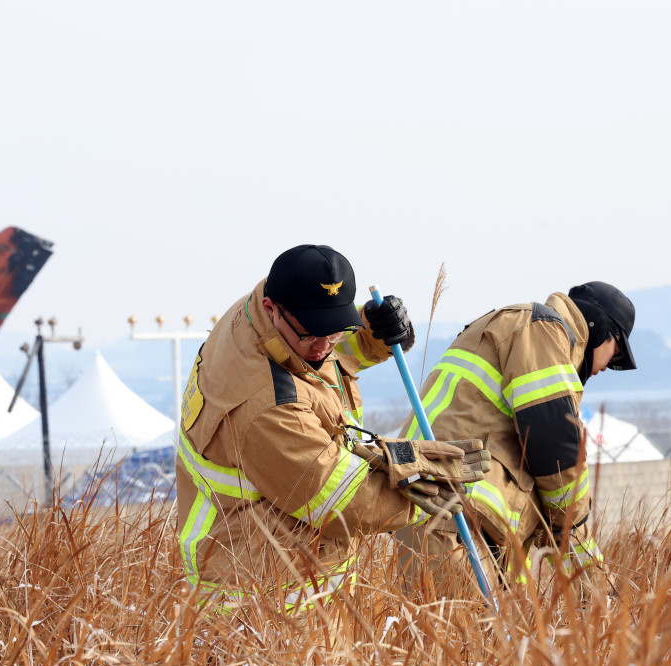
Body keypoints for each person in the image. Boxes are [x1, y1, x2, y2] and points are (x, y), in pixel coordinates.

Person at [175, 244, 489, 610]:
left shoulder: (267, 311)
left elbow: (320, 355)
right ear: (272, 309)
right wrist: (429, 492)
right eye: (312, 334)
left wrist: (371, 332)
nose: (324, 347)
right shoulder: (265, 405)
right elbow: (344, 501)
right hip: (266, 597)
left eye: (337, 330)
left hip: (291, 571)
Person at [394, 281, 637, 596]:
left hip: (448, 516)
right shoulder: (541, 331)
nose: (608, 367)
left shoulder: (522, 328)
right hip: (455, 521)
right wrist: (597, 584)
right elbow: (554, 450)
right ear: (601, 328)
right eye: (617, 352)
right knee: (468, 627)